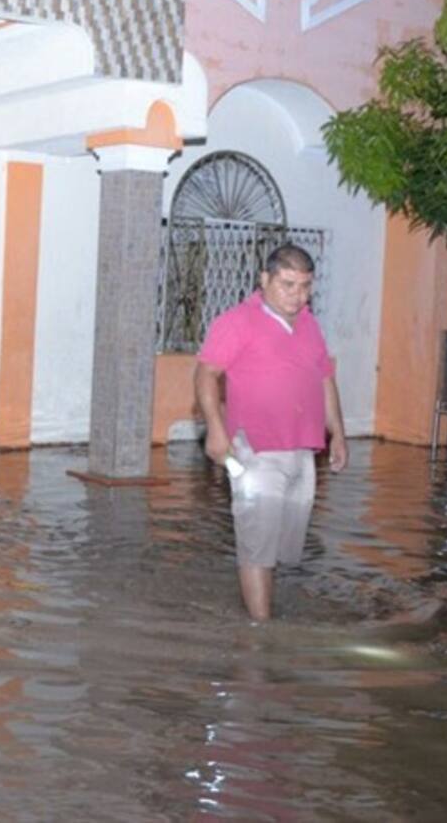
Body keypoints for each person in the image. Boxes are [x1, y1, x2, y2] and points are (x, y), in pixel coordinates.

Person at [194, 244, 348, 621]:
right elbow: (205, 373)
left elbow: (325, 377)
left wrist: (338, 434)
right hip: (254, 450)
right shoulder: (236, 322)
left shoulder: (310, 324)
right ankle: (260, 633)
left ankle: (257, 607)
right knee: (256, 544)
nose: (298, 296)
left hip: (302, 450)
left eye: (305, 286)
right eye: (288, 284)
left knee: (280, 545)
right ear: (265, 279)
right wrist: (215, 430)